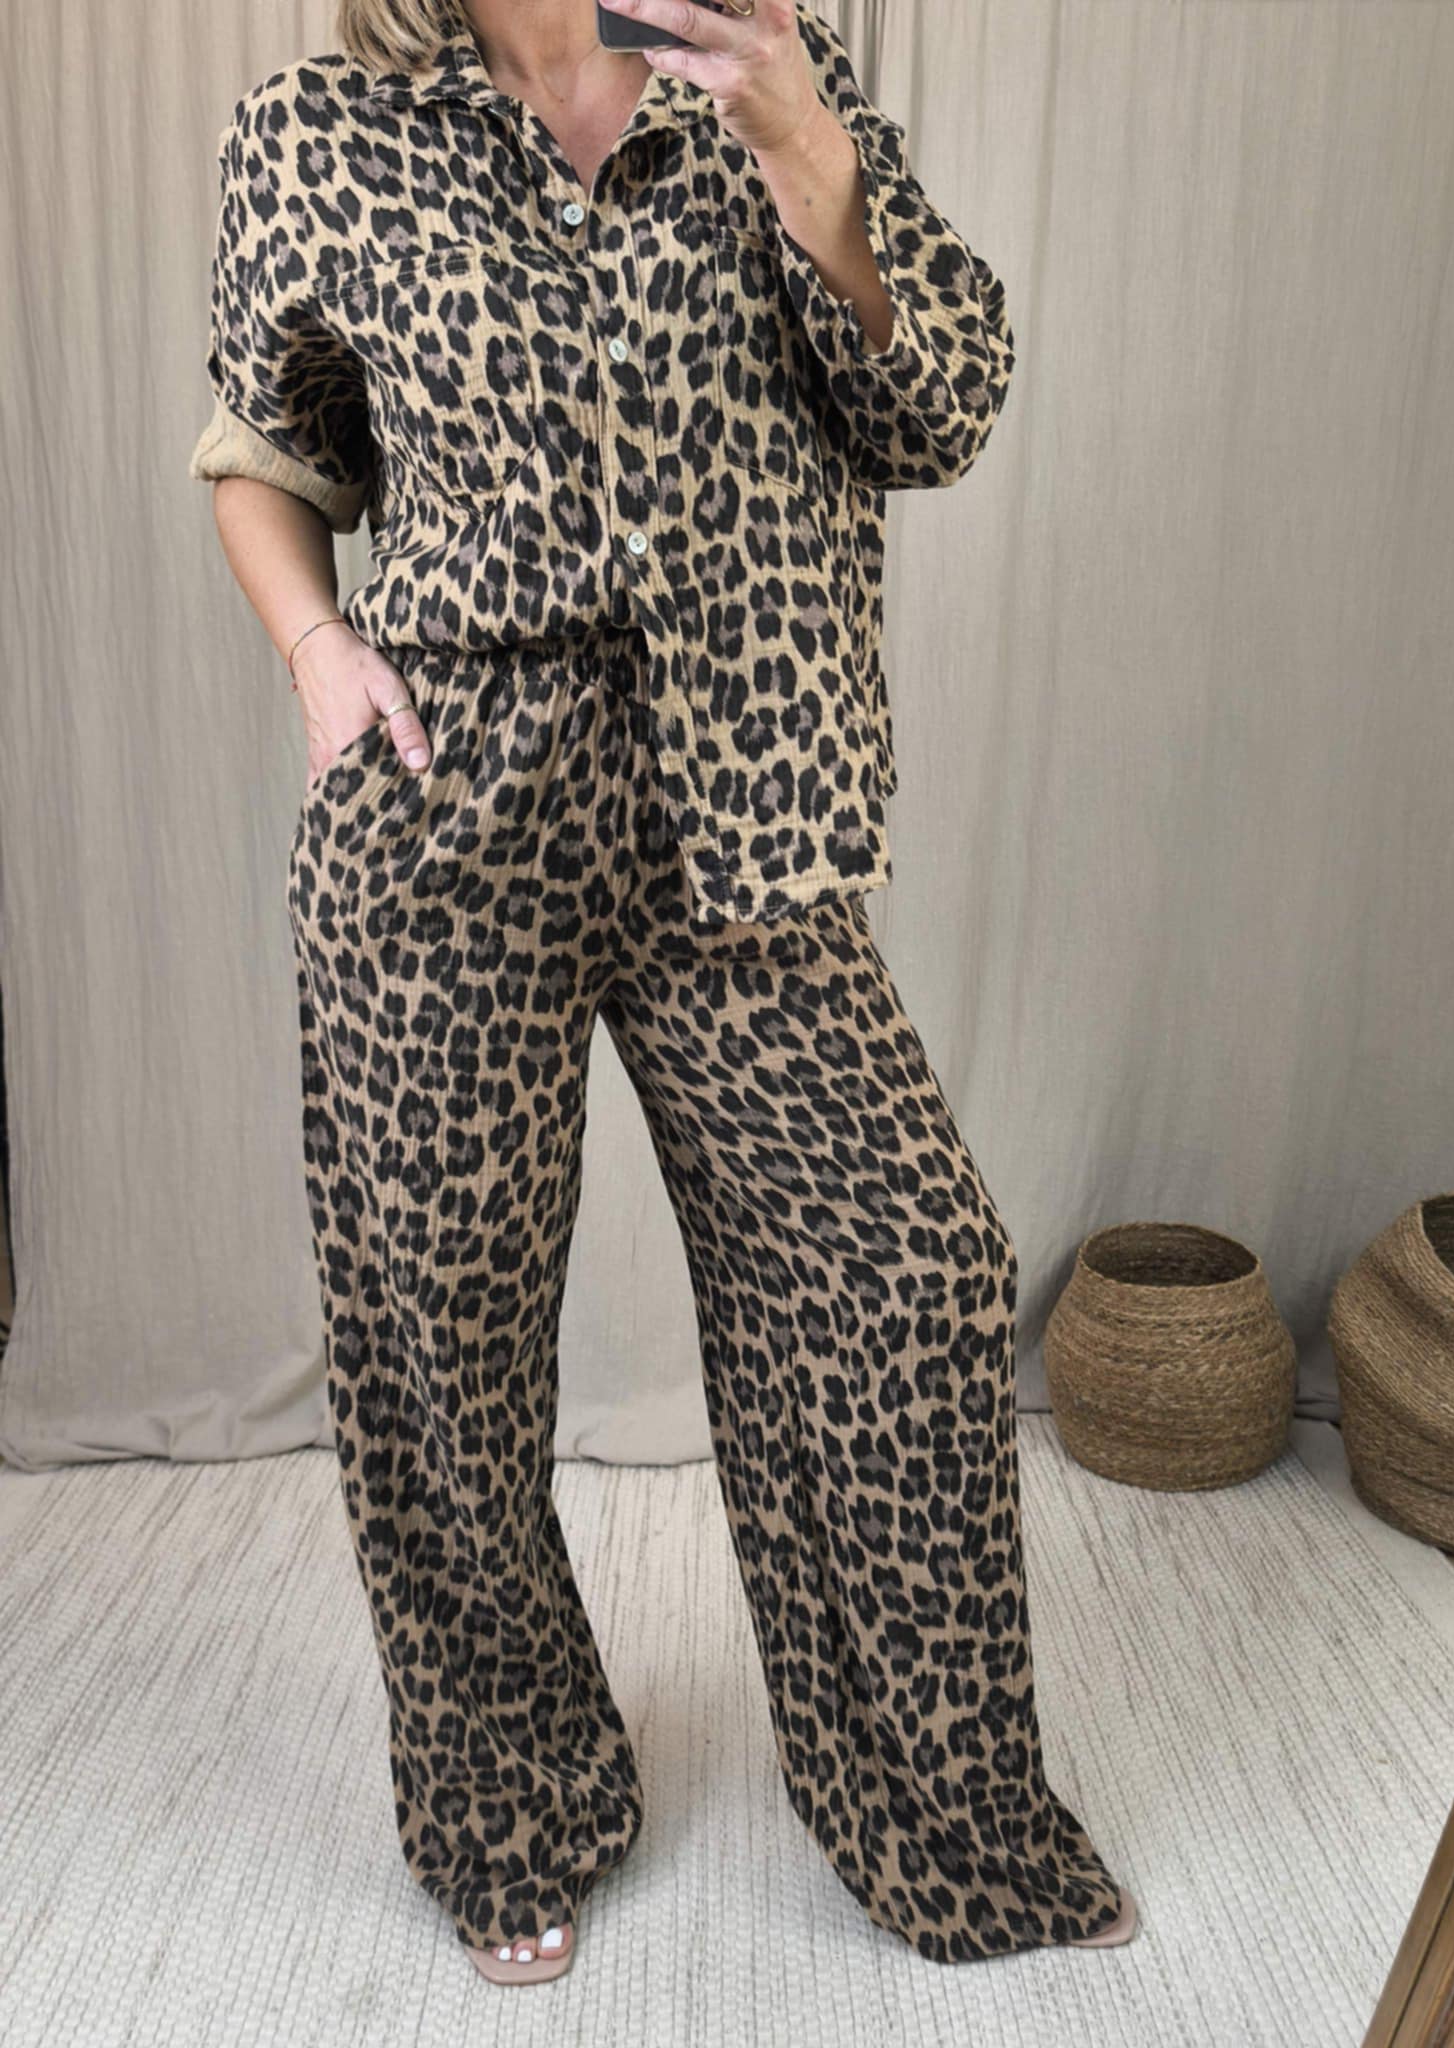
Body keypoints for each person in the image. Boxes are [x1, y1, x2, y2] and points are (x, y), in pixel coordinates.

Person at [188, 0, 1139, 1987]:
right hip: (449, 801)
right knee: (436, 1336)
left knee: (905, 1275)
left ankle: (945, 1814)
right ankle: (509, 1803)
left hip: (746, 799)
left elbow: (941, 407)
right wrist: (317, 652)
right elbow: (264, 451)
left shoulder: (763, 72)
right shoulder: (316, 128)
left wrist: (813, 166)